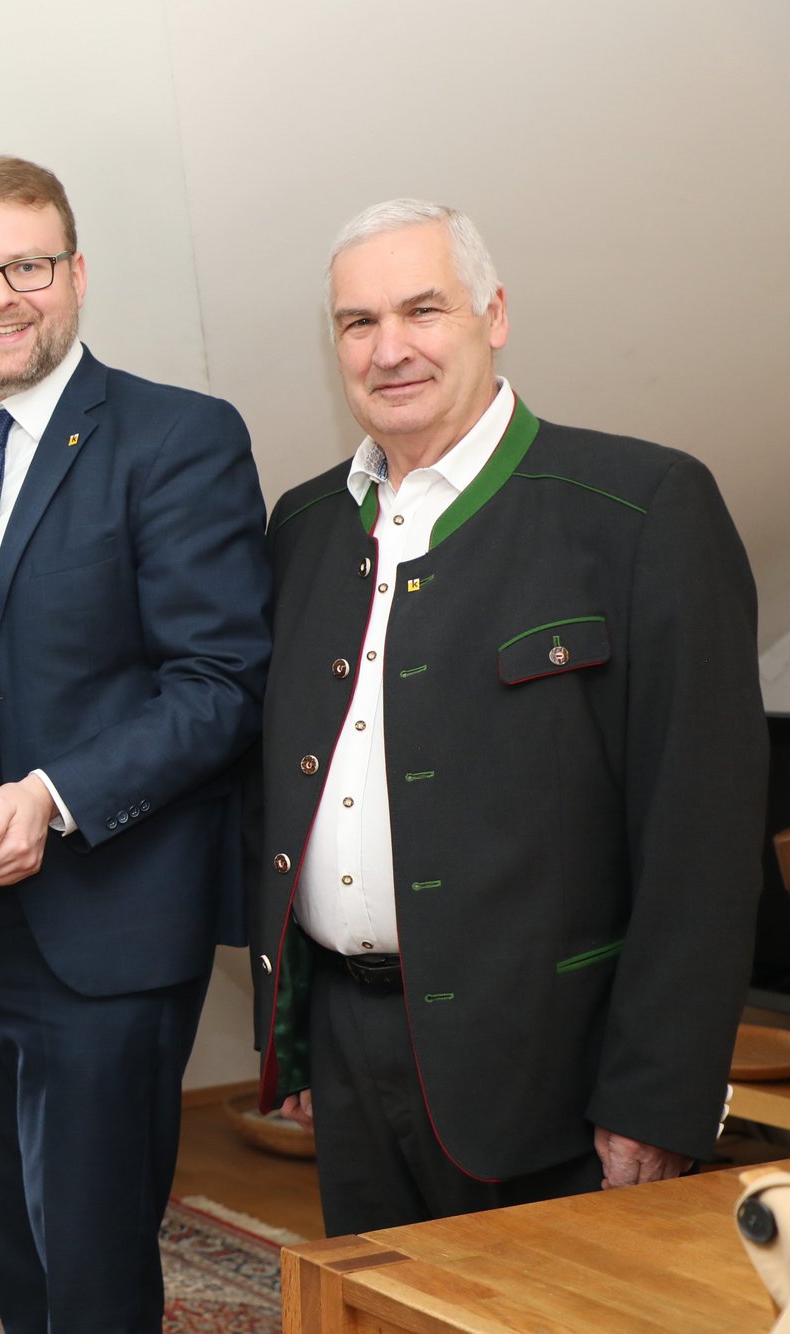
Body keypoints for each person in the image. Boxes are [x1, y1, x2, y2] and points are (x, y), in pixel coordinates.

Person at [250, 198, 765, 1236]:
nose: (388, 347)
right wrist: (295, 1032)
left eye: (421, 309)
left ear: (492, 314)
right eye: (356, 323)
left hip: (550, 1070)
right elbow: (283, 783)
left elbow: (701, 839)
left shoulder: (638, 508)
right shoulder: (303, 525)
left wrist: (653, 1092)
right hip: (350, 1061)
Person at [0, 156, 271, 1333]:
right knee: (14, 1256)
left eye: (26, 266)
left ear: (76, 274)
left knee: (94, 1277)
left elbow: (219, 684)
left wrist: (50, 795)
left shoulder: (177, 436)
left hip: (103, 930)